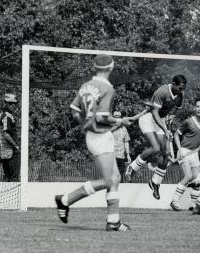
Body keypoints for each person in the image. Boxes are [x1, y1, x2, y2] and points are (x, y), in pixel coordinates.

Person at [54, 54, 132, 232]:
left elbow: (74, 109)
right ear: (111, 68)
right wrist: (120, 122)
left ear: (95, 68)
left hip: (95, 135)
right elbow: (103, 117)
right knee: (108, 180)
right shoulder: (107, 88)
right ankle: (65, 199)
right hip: (100, 136)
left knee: (115, 179)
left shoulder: (86, 85)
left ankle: (113, 221)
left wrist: (84, 122)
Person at [125, 75, 187, 200]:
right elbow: (154, 113)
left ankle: (155, 182)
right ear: (173, 83)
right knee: (155, 148)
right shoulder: (162, 91)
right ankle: (132, 168)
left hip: (161, 120)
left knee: (166, 154)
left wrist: (171, 118)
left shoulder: (180, 94)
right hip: (149, 119)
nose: (181, 90)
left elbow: (178, 110)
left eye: (183, 88)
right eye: (179, 87)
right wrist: (165, 129)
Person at [170, 98, 200, 211]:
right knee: (188, 176)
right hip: (184, 151)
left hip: (194, 153)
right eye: (197, 106)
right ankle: (174, 201)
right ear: (194, 108)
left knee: (197, 179)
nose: (199, 109)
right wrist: (179, 149)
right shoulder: (188, 121)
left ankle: (193, 205)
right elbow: (176, 135)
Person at [0, 93, 20, 182]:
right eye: (10, 104)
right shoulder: (8, 117)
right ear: (5, 103)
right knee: (14, 176)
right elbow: (6, 134)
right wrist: (15, 146)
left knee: (7, 175)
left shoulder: (0, 115)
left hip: (2, 150)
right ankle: (15, 196)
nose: (12, 106)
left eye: (13, 104)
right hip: (10, 150)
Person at [112, 111, 131, 182]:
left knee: (120, 177)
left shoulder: (124, 129)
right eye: (115, 117)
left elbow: (126, 142)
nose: (117, 119)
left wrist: (128, 154)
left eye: (118, 117)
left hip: (121, 155)